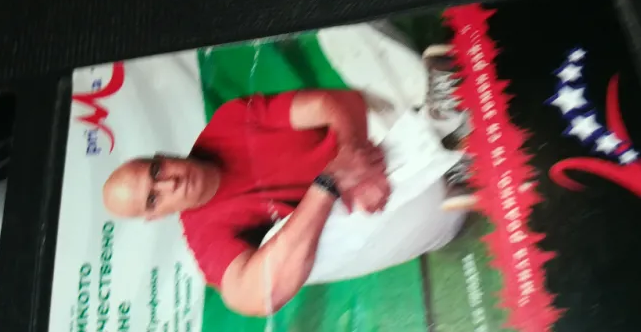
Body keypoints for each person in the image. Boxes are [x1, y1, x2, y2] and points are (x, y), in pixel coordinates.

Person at [103, 37, 475, 317]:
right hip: (404, 211)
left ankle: (445, 128)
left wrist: (352, 157)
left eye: (156, 171)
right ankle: (445, 141)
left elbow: (338, 103)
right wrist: (328, 183)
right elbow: (256, 297)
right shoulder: (204, 238)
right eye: (154, 197)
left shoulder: (227, 123)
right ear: (157, 215)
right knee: (278, 248)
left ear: (161, 156)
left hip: (378, 156)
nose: (169, 183)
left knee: (339, 35)